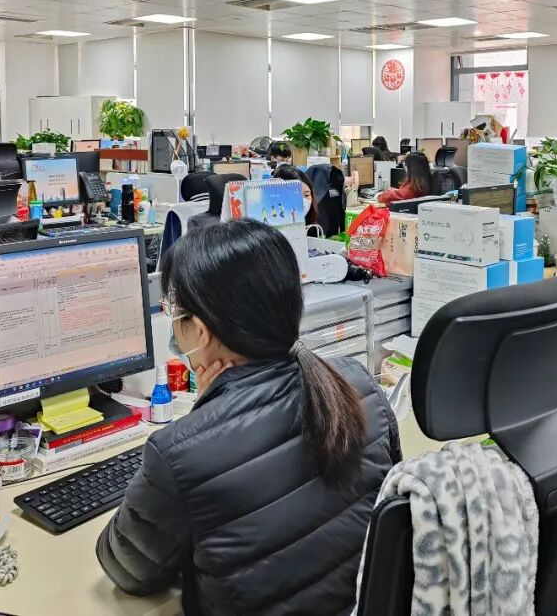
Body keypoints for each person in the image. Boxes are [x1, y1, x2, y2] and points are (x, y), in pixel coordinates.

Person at [97, 219, 401, 615]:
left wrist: (204, 418)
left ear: (201, 332)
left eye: (175, 314)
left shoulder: (181, 453)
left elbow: (127, 568)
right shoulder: (356, 384)